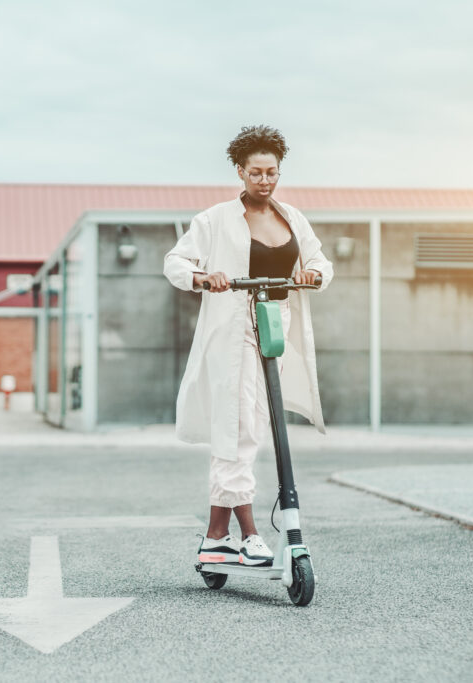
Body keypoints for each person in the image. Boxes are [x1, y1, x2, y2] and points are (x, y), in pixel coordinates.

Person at [163, 125, 333, 567]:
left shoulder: (293, 217)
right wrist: (204, 277)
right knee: (239, 428)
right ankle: (251, 533)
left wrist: (312, 274)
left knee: (252, 428)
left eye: (271, 172)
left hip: (274, 324)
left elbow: (319, 261)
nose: (264, 180)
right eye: (255, 172)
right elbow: (176, 262)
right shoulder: (216, 219)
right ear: (240, 172)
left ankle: (216, 536)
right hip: (234, 325)